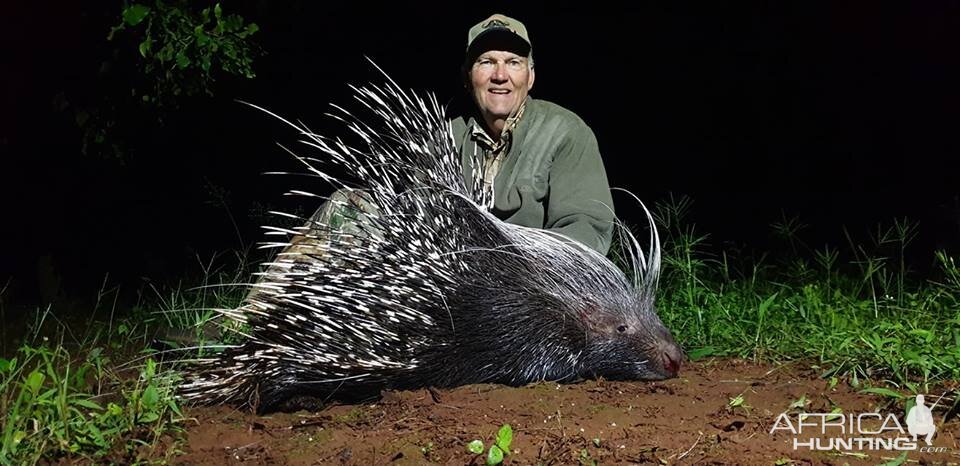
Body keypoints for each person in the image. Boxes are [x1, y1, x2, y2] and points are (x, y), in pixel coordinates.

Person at [452, 13, 615, 255]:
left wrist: (519, 264)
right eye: (486, 62)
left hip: (538, 280)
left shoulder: (565, 132)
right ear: (467, 77)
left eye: (513, 62)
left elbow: (587, 228)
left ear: (531, 77)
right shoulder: (447, 137)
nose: (499, 75)